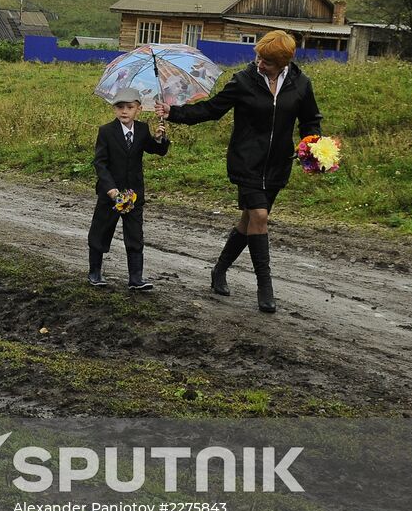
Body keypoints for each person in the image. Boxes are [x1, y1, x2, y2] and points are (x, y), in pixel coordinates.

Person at [156, 30, 321, 313]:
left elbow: (310, 120)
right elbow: (212, 110)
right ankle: (265, 287)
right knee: (259, 216)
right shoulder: (243, 81)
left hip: (278, 165)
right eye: (258, 57)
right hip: (246, 162)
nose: (259, 63)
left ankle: (219, 270)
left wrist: (311, 143)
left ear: (283, 61)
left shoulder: (301, 84)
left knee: (249, 222)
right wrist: (175, 113)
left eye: (266, 61)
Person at [88, 87, 169, 290]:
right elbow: (100, 163)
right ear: (114, 109)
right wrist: (111, 190)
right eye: (120, 107)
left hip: (133, 195)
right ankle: (95, 273)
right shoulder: (106, 131)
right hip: (111, 195)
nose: (124, 111)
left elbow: (155, 150)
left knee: (135, 234)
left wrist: (160, 138)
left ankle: (136, 278)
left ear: (139, 109)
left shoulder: (141, 129)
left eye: (129, 107)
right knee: (101, 232)